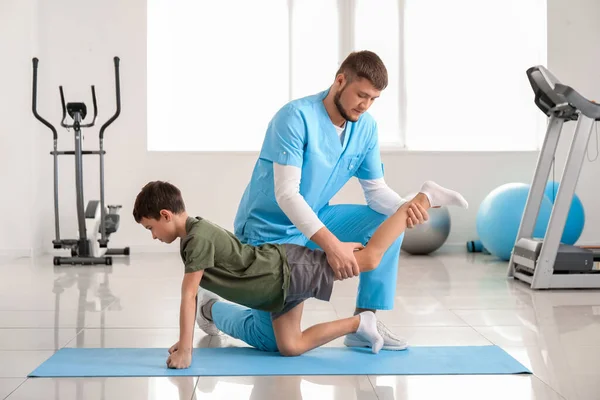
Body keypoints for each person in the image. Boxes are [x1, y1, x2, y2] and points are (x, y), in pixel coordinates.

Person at [207, 50, 433, 352]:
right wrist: (332, 246)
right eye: (361, 95)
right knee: (275, 342)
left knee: (389, 222)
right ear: (340, 81)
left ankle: (364, 321)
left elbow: (376, 191)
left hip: (316, 217)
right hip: (269, 229)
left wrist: (407, 208)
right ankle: (209, 309)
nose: (365, 105)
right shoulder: (294, 117)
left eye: (373, 99)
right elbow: (286, 194)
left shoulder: (366, 128)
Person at [132, 180, 468, 369]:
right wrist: (184, 341)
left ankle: (423, 196)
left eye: (150, 228)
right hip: (276, 289)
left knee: (369, 259)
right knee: (290, 347)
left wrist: (187, 349)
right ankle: (359, 324)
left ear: (165, 214)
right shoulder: (194, 235)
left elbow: (188, 293)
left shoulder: (196, 239)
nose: (153, 235)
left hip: (286, 271)